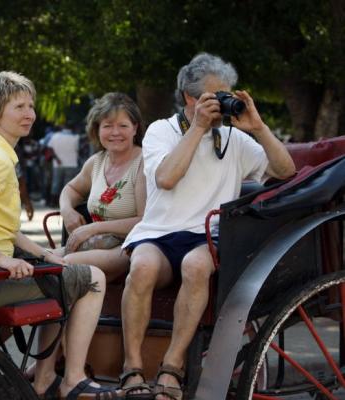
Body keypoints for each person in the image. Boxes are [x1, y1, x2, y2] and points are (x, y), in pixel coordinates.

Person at [120, 53, 295, 400]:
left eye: (226, 95)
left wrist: (258, 127)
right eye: (214, 96)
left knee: (196, 265)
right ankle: (131, 368)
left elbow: (286, 170)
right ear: (189, 97)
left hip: (208, 237)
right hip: (159, 233)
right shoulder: (161, 130)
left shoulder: (235, 139)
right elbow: (167, 178)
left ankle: (172, 367)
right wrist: (198, 128)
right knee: (140, 268)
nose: (222, 103)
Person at [0, 71, 116, 399]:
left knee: (62, 272)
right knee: (92, 278)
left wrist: (41, 253)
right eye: (19, 107)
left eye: (30, 106)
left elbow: (4, 227)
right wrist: (1, 258)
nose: (29, 114)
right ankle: (73, 379)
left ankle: (44, 378)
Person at [59, 92, 146, 281]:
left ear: (135, 128)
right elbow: (71, 189)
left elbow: (143, 220)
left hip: (130, 248)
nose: (115, 132)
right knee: (41, 258)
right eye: (107, 126)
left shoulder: (143, 162)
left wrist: (91, 229)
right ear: (97, 130)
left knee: (66, 264)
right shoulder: (96, 162)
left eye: (123, 126)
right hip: (94, 244)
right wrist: (67, 210)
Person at [48, 122, 80, 204]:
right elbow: (77, 149)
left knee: (56, 183)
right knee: (67, 185)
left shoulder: (55, 136)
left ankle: (53, 202)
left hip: (57, 164)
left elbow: (50, 149)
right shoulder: (76, 137)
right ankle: (65, 203)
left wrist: (57, 158)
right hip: (71, 163)